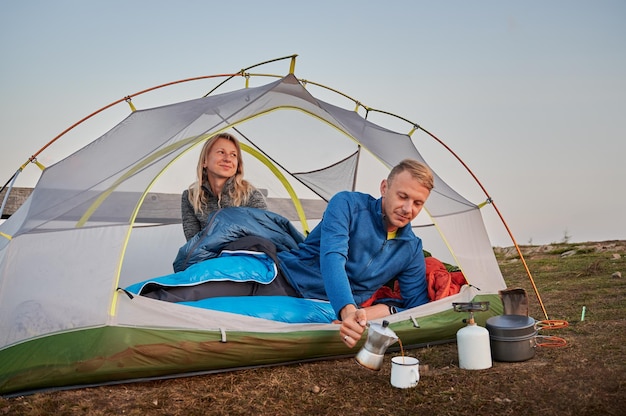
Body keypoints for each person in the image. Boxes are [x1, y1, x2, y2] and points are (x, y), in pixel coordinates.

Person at [276, 158, 433, 347]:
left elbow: (418, 307)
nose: (408, 209)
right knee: (230, 308)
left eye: (417, 203)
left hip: (324, 307)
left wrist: (380, 311)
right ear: (384, 188)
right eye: (402, 196)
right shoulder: (347, 205)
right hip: (286, 277)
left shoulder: (411, 248)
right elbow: (333, 258)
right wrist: (347, 310)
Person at [181, 132, 267, 241]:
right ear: (204, 161)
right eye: (221, 152)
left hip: (244, 255)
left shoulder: (250, 195)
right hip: (208, 257)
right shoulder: (191, 197)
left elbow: (264, 236)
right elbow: (193, 244)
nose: (228, 159)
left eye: (233, 155)